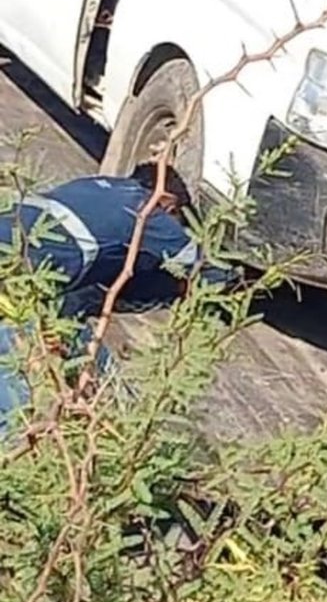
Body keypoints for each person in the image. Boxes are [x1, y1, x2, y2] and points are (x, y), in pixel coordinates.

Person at [0, 165, 232, 434]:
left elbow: (80, 295)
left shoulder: (96, 185)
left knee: (75, 335)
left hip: (20, 250)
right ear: (169, 203)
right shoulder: (147, 210)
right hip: (21, 277)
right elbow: (209, 270)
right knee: (16, 391)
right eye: (178, 220)